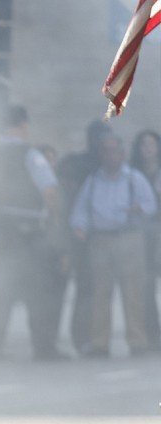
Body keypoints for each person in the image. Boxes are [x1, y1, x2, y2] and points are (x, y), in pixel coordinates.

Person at [0, 105, 65, 362]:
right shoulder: (31, 155)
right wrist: (52, 221)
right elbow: (50, 191)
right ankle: (44, 349)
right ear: (23, 126)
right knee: (38, 294)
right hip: (27, 235)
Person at [70, 135, 158, 356]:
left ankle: (137, 341)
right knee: (100, 293)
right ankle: (100, 342)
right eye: (106, 152)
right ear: (102, 155)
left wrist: (139, 209)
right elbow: (81, 209)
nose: (111, 157)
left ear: (123, 154)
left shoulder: (134, 179)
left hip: (129, 238)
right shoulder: (93, 180)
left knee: (133, 293)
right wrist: (79, 226)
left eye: (115, 152)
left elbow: (151, 206)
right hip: (101, 241)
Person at [59, 120, 116, 354]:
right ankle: (82, 338)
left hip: (104, 235)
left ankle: (97, 338)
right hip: (80, 235)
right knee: (86, 288)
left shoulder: (112, 164)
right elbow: (66, 199)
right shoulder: (76, 164)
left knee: (102, 290)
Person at [128, 130, 161, 351]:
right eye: (144, 145)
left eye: (152, 144)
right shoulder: (132, 174)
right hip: (141, 235)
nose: (148, 149)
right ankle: (152, 333)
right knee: (146, 285)